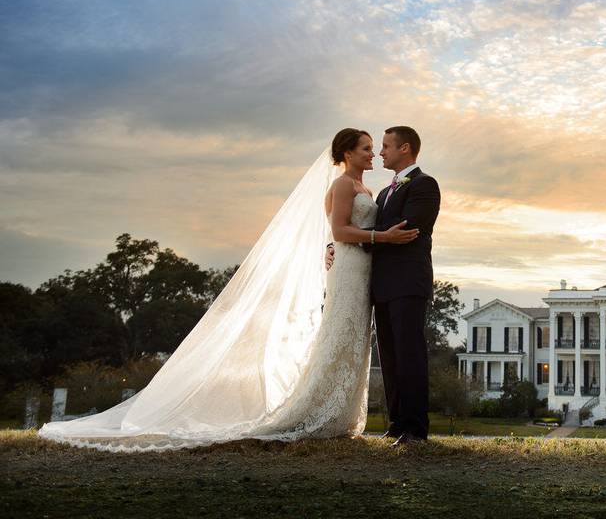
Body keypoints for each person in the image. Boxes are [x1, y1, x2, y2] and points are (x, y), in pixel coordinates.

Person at [37, 128, 417, 452]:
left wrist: (344, 245)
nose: (373, 154)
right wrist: (377, 237)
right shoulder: (341, 183)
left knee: (352, 339)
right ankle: (314, 411)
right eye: (367, 148)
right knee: (340, 332)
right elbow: (337, 231)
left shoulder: (366, 186)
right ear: (347, 152)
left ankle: (340, 414)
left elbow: (334, 235)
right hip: (350, 269)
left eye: (375, 148)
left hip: (362, 269)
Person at [326, 126, 441, 446]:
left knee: (410, 354)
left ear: (405, 149)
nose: (380, 152)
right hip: (379, 284)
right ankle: (397, 422)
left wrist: (360, 242)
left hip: (407, 281)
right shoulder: (382, 192)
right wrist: (336, 245)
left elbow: (408, 228)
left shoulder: (424, 185)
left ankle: (416, 429)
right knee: (389, 356)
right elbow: (361, 226)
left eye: (386, 146)